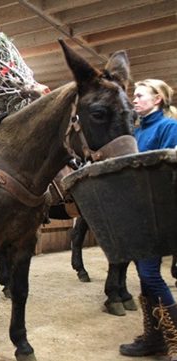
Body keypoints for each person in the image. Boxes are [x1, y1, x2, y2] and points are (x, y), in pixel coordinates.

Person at [120, 79, 177, 359]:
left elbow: (166, 167)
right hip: (138, 210)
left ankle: (174, 331)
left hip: (156, 210)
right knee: (144, 278)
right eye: (134, 95)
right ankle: (154, 338)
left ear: (157, 100)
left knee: (149, 274)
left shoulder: (169, 127)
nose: (134, 99)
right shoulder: (137, 130)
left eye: (140, 95)